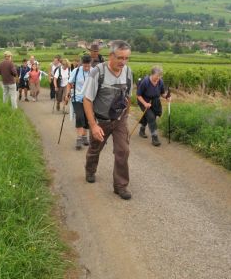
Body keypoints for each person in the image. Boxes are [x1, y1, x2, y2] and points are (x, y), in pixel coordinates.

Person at [82, 40, 133, 200]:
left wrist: (127, 116)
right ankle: (90, 170)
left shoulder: (128, 72)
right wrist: (93, 125)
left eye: (126, 58)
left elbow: (128, 97)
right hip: (101, 120)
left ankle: (120, 186)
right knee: (95, 149)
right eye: (120, 58)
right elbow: (87, 100)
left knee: (123, 151)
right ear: (111, 55)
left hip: (119, 119)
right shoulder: (98, 72)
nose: (123, 62)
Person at [136, 66, 171, 146]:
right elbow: (138, 95)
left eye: (160, 76)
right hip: (144, 101)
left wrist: (166, 97)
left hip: (155, 102)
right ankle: (155, 138)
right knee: (151, 117)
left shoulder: (160, 81)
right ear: (152, 74)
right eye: (157, 76)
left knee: (150, 116)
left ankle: (142, 130)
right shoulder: (145, 82)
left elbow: (162, 93)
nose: (158, 78)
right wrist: (145, 103)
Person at [65, 54, 92, 150]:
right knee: (80, 117)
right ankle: (79, 139)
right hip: (77, 98)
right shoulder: (76, 71)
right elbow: (69, 84)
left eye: (88, 66)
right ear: (82, 64)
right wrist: (67, 94)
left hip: (89, 99)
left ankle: (85, 136)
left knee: (87, 118)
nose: (87, 68)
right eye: (85, 66)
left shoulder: (93, 72)